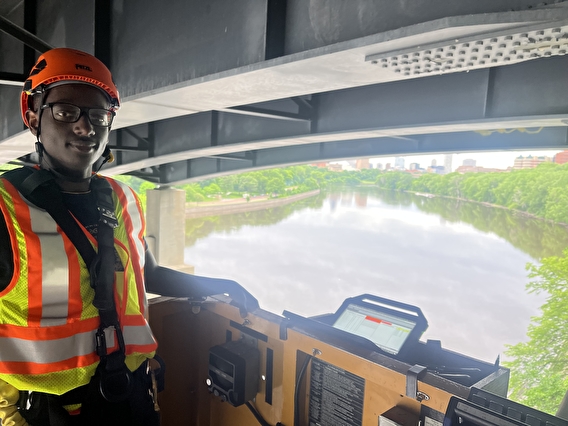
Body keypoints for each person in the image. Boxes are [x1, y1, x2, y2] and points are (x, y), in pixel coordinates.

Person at [0, 47, 259, 426]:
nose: (85, 127)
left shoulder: (121, 198)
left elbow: (147, 274)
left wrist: (224, 285)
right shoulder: (6, 206)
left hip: (128, 393)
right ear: (33, 115)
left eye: (98, 115)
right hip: (47, 411)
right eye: (66, 111)